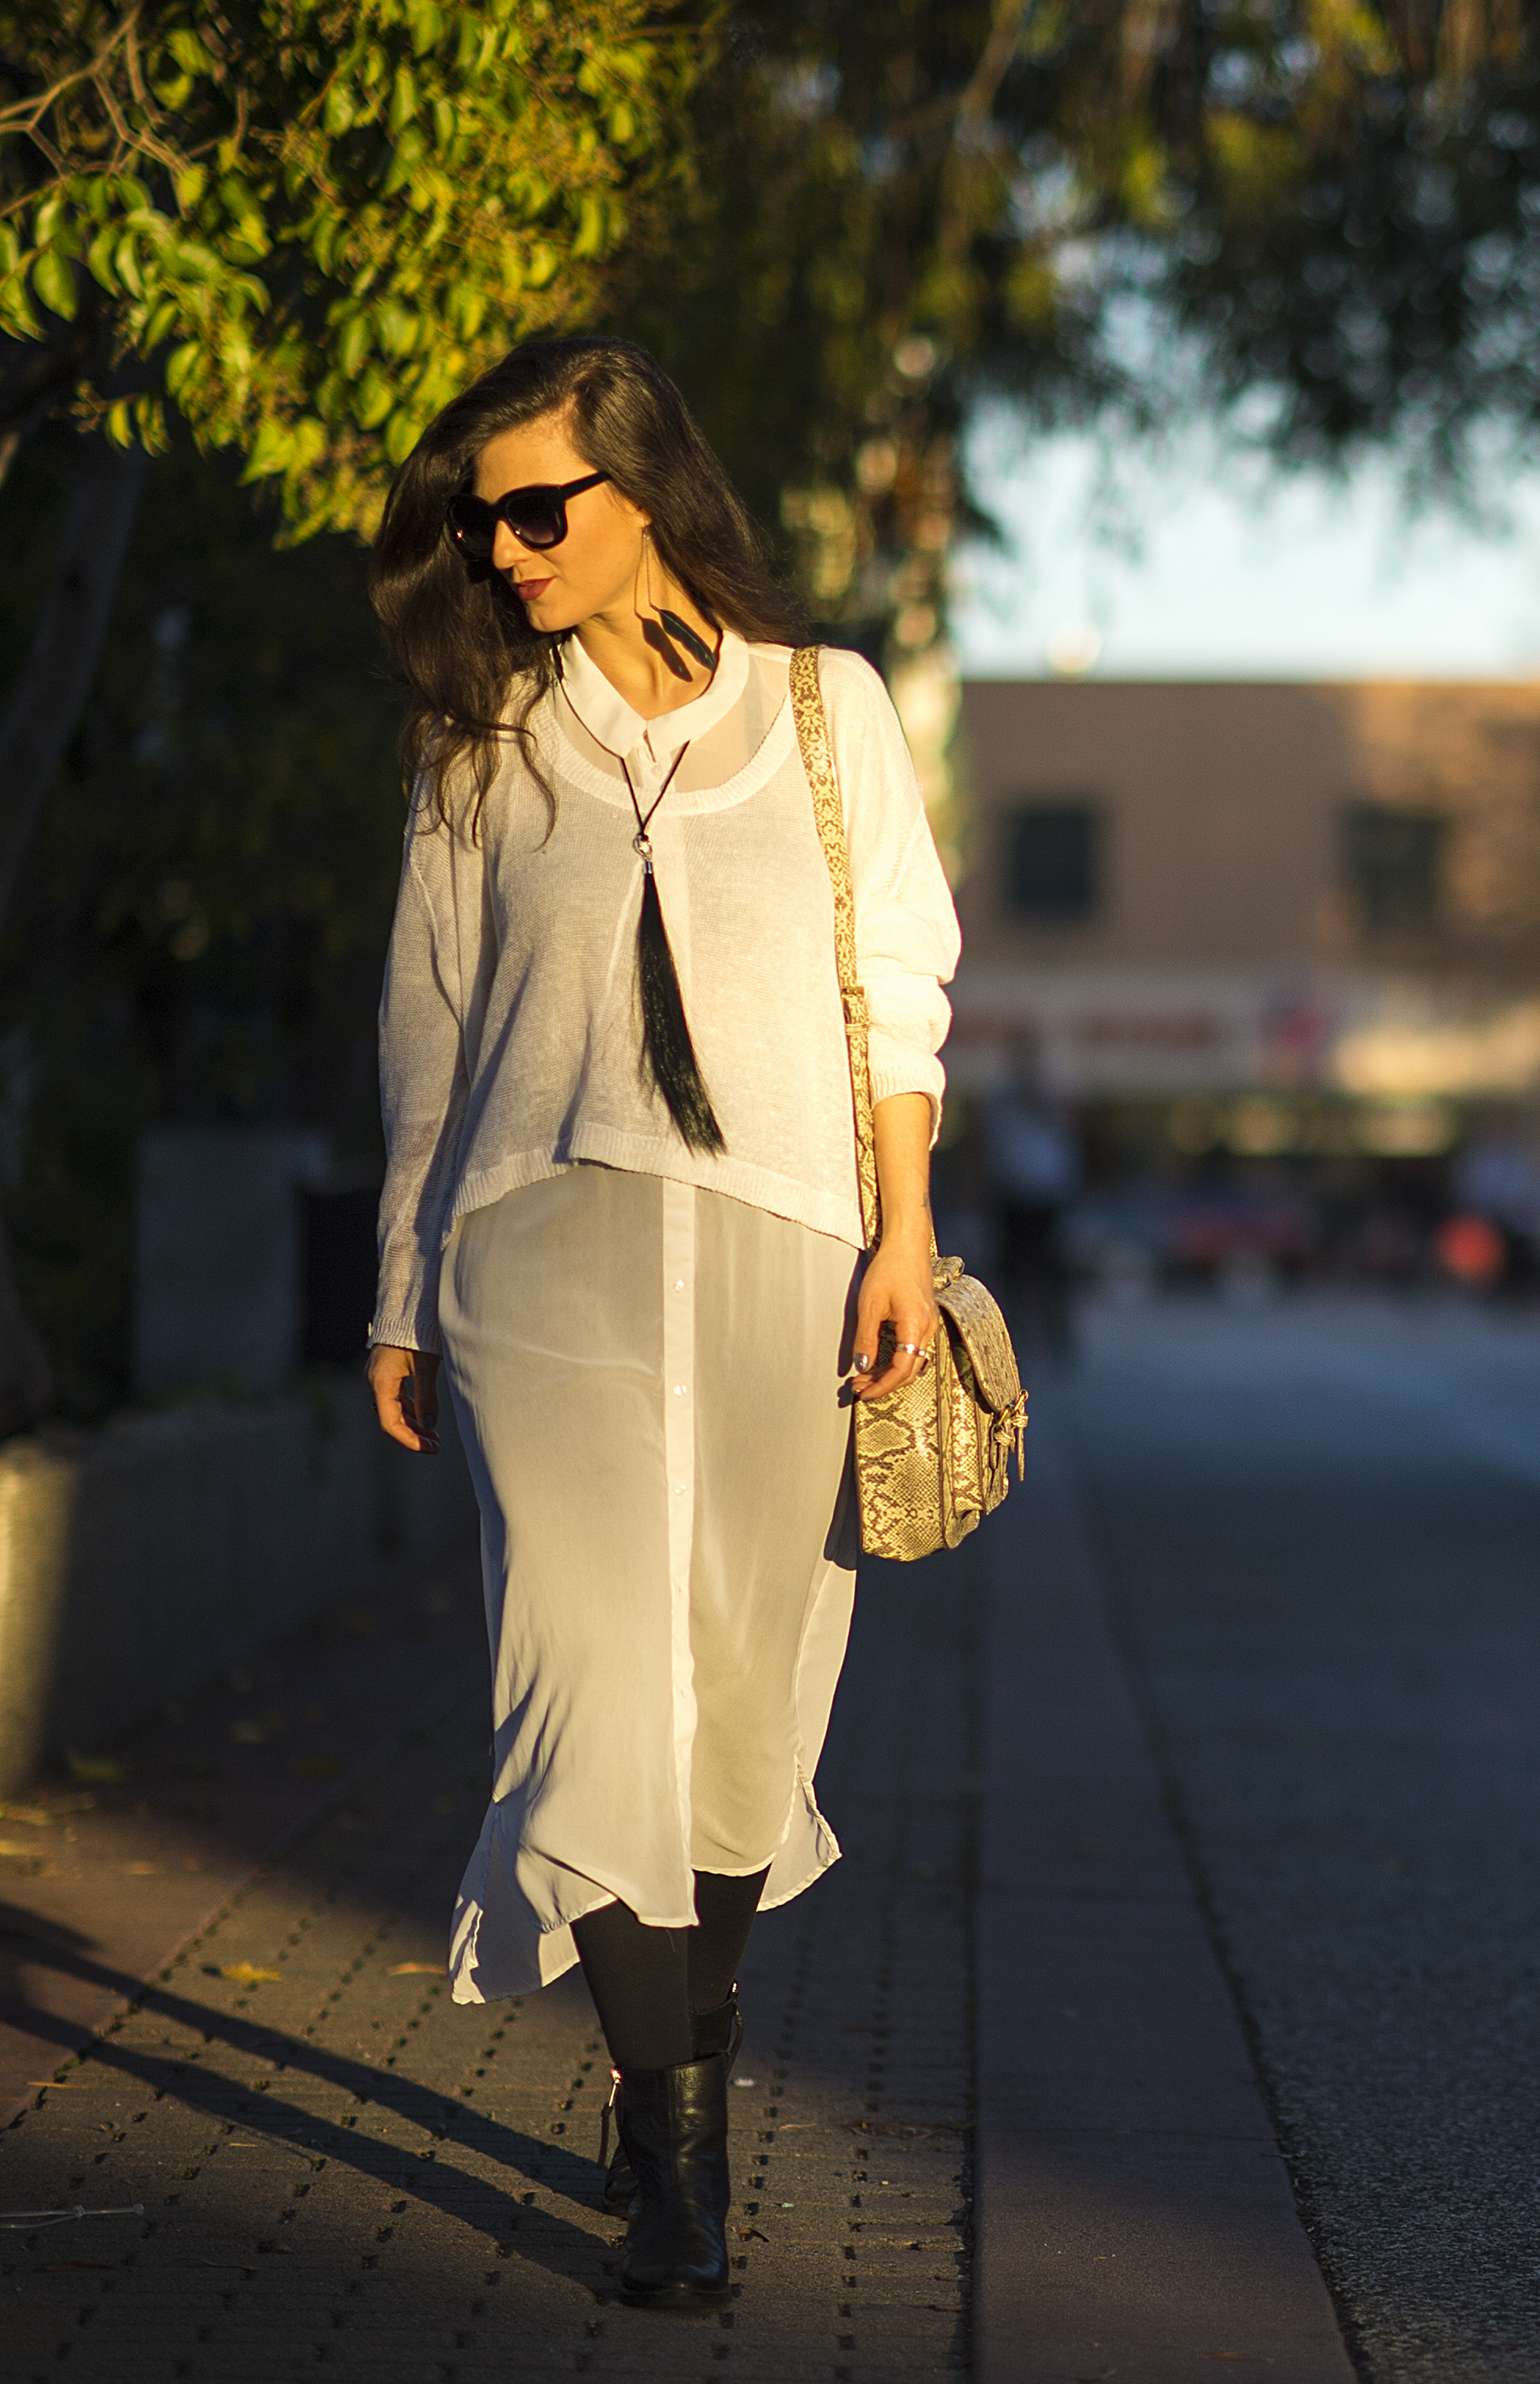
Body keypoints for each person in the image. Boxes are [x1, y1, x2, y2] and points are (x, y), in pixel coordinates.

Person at [358, 338, 959, 2311]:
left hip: (789, 1239)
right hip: (536, 1247)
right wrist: (398, 1282)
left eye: (541, 508)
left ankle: (660, 2098)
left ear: (646, 498)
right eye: (486, 518)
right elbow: (428, 1030)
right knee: (590, 1682)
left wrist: (906, 1234)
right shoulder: (483, 739)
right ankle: (680, 2162)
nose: (507, 546)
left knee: (733, 1713)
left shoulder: (826, 709)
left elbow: (901, 975)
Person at [980, 1030, 1080, 1364]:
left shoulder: (1049, 1094)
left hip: (1046, 1196)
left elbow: (1069, 1125)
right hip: (1011, 1194)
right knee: (1013, 1273)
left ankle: (1058, 1341)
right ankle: (1015, 1339)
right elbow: (989, 1144)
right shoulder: (1001, 1097)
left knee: (1051, 1272)